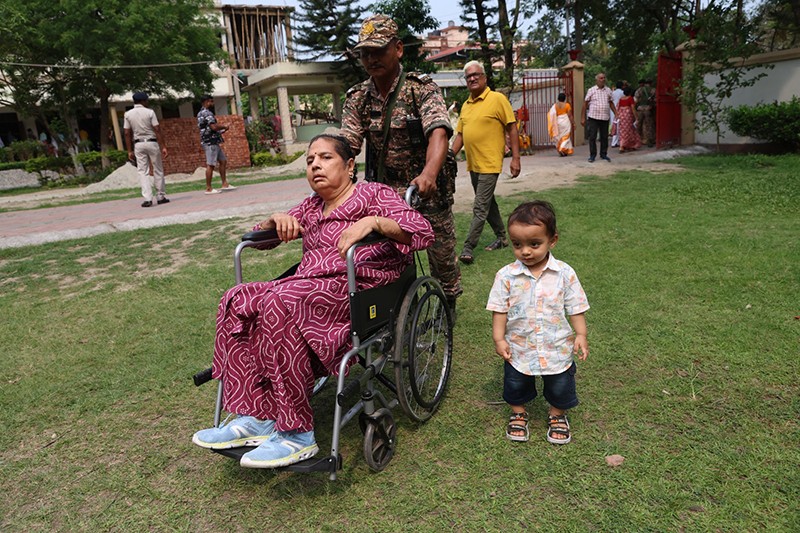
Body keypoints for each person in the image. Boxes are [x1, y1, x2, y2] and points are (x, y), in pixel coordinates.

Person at [192, 134, 434, 468]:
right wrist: (274, 220)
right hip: (307, 287)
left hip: (359, 289)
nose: (315, 165)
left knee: (279, 300)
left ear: (349, 166)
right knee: (237, 298)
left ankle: (296, 434)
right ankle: (256, 417)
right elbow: (261, 239)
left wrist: (373, 222)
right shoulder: (311, 206)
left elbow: (422, 231)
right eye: (309, 160)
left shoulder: (373, 194)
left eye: (325, 158)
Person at [339, 14, 461, 314]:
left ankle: (447, 305)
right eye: (365, 53)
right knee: (384, 253)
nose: (371, 59)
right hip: (386, 191)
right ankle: (391, 311)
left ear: (398, 49)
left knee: (441, 254)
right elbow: (348, 144)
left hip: (426, 187)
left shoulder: (421, 88)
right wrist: (330, 165)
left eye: (378, 50)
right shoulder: (357, 98)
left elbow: (439, 131)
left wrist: (429, 174)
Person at [486, 200, 589, 445]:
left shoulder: (564, 273)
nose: (526, 252)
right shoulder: (506, 275)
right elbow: (499, 310)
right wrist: (499, 338)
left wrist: (581, 334)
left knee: (560, 384)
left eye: (534, 244)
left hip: (557, 346)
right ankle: (518, 413)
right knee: (515, 381)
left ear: (552, 240)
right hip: (519, 346)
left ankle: (557, 415)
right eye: (517, 244)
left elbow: (575, 307)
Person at [449, 60, 520, 265]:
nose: (472, 78)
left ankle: (468, 247)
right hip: (474, 163)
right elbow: (461, 135)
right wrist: (449, 155)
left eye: (476, 75)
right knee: (488, 203)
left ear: (484, 77)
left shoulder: (497, 99)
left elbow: (512, 127)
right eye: (468, 76)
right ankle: (502, 236)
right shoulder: (466, 104)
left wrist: (515, 158)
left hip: (490, 162)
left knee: (480, 206)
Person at [123, 91, 169, 208]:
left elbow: (127, 132)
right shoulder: (150, 112)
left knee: (143, 171)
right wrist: (163, 146)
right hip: (152, 142)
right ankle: (160, 196)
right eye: (146, 100)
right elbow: (157, 129)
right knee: (158, 169)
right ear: (143, 101)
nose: (147, 102)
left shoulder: (128, 114)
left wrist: (129, 150)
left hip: (138, 144)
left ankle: (147, 198)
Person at [197, 94, 236, 195]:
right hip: (210, 142)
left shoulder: (200, 113)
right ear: (206, 102)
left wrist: (221, 131)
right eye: (211, 101)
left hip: (213, 141)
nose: (212, 103)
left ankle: (224, 184)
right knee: (210, 165)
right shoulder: (207, 113)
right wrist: (224, 126)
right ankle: (209, 188)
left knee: (223, 161)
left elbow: (208, 129)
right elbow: (213, 127)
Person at [581, 72, 616, 163]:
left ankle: (603, 154)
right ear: (596, 80)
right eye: (600, 78)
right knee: (592, 137)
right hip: (593, 117)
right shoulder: (591, 90)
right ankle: (592, 155)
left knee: (604, 137)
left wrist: (616, 113)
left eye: (604, 78)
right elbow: (585, 104)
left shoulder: (608, 90)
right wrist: (582, 117)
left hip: (604, 117)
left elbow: (611, 103)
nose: (602, 79)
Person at [547, 92, 575, 157]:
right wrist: (573, 123)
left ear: (558, 98)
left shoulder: (555, 106)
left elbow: (552, 115)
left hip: (558, 121)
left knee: (560, 136)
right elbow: (570, 115)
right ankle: (562, 148)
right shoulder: (567, 105)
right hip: (565, 121)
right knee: (566, 136)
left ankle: (564, 151)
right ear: (564, 98)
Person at [617, 86, 642, 152]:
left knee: (622, 131)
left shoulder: (621, 99)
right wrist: (636, 117)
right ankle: (629, 145)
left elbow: (619, 108)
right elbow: (633, 108)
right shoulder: (630, 98)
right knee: (629, 130)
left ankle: (622, 145)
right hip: (628, 117)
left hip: (621, 116)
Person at [635, 79, 656, 147]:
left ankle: (637, 140)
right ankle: (650, 141)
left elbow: (636, 100)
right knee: (649, 125)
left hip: (640, 109)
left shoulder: (639, 90)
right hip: (648, 109)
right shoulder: (653, 90)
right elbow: (655, 100)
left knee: (639, 125)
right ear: (651, 83)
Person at [610, 80, 625, 147]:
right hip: (619, 110)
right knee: (619, 126)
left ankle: (615, 142)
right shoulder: (622, 93)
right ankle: (616, 142)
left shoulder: (612, 93)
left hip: (612, 110)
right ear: (622, 86)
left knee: (614, 126)